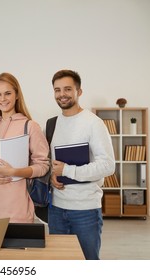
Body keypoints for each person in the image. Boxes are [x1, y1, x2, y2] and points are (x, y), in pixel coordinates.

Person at [48, 69, 115, 260]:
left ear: (79, 91)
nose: (62, 94)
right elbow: (53, 163)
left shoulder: (94, 123)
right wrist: (54, 176)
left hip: (85, 211)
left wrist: (68, 170)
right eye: (57, 90)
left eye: (68, 89)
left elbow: (108, 165)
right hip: (57, 209)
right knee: (60, 265)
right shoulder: (52, 124)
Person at [0, 72, 50, 223]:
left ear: (17, 95)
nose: (2, 99)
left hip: (19, 205)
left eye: (7, 93)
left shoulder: (30, 126)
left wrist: (14, 172)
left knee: (17, 246)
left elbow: (43, 166)